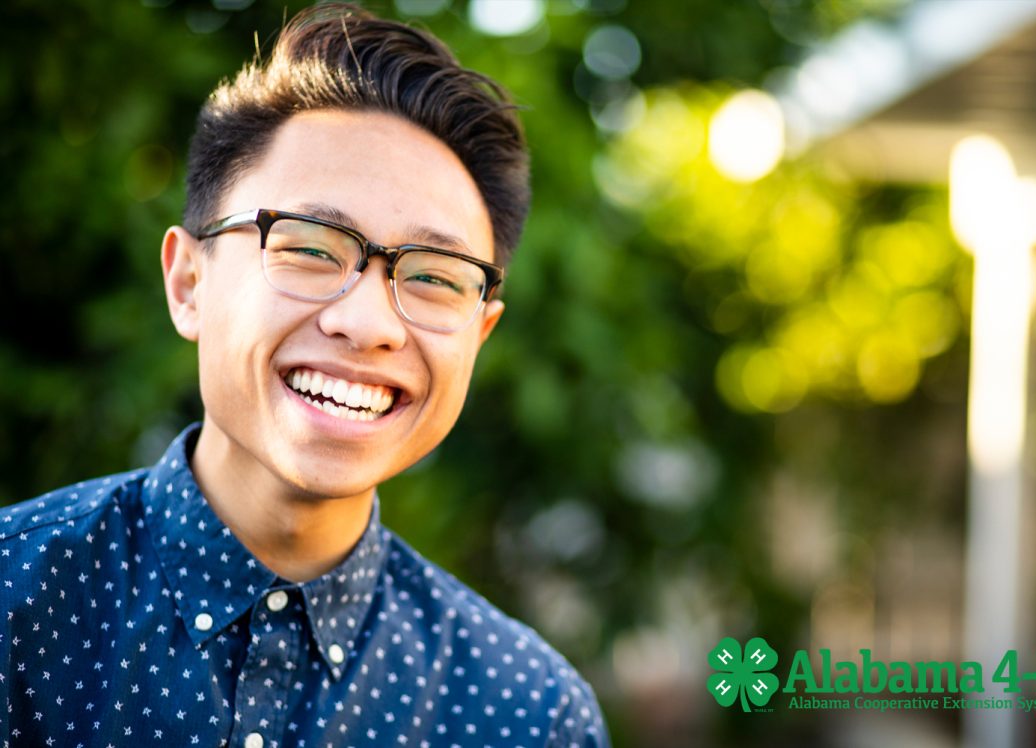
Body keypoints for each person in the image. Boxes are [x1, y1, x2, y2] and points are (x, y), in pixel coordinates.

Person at [0, 4, 609, 746]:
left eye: (434, 277)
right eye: (313, 250)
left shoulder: (528, 714)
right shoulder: (17, 607)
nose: (371, 324)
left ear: (480, 333)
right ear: (189, 282)